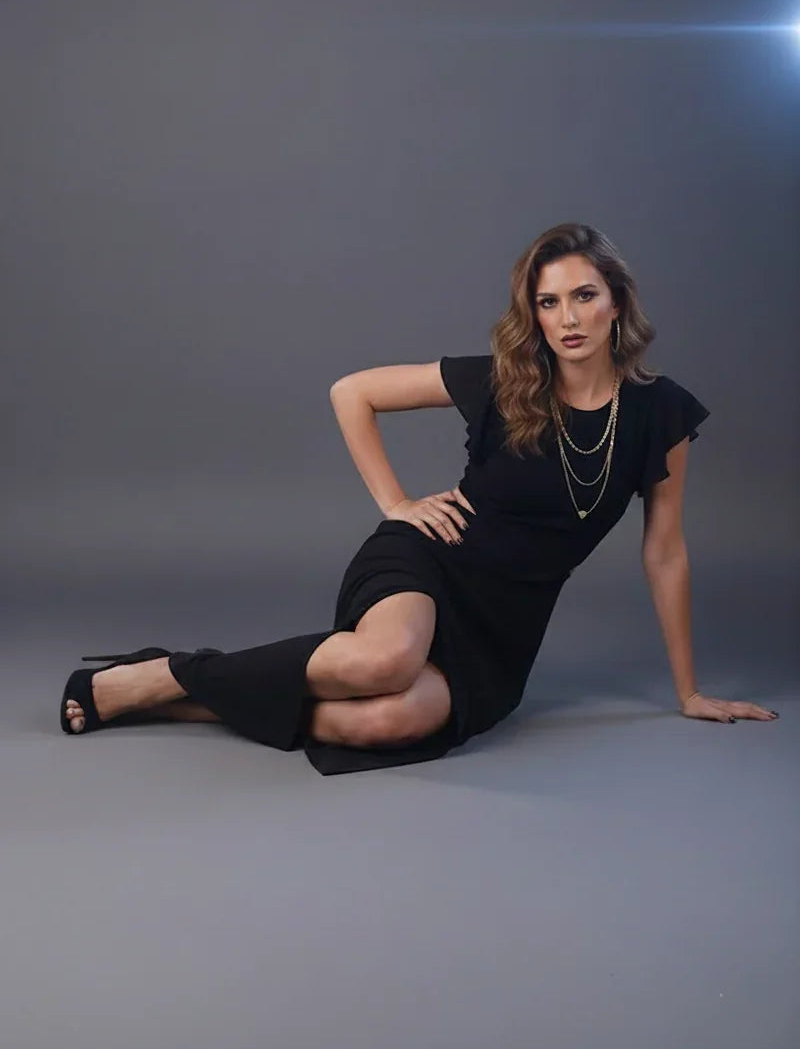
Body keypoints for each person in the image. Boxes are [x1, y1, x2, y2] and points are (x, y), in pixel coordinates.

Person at [60, 222, 779, 773]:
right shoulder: (505, 383)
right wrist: (395, 503)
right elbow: (354, 392)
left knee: (381, 723)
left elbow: (665, 553)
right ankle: (159, 675)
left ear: (616, 301)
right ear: (533, 313)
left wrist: (688, 692)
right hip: (429, 562)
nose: (568, 319)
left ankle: (185, 699)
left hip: (504, 625)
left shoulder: (662, 413)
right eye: (549, 301)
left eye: (584, 296)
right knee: (382, 664)